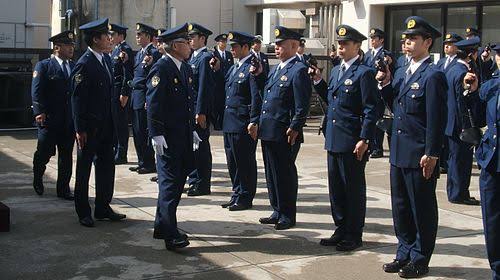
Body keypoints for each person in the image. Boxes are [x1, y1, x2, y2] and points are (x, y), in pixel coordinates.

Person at [376, 16, 447, 278]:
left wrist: (432, 153)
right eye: (406, 38)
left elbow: (436, 119)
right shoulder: (405, 70)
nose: (407, 42)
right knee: (401, 207)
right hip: (399, 150)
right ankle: (403, 252)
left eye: (413, 38)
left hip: (419, 153)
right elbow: (396, 105)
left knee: (422, 208)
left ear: (427, 42)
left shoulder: (433, 75)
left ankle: (420, 258)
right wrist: (384, 83)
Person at [312, 25, 378, 251]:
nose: (341, 47)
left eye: (345, 44)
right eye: (339, 44)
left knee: (353, 189)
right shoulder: (338, 70)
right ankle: (340, 227)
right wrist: (320, 82)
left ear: (357, 46)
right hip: (334, 138)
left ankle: (353, 233)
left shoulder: (364, 72)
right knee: (336, 189)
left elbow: (372, 109)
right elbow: (334, 101)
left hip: (352, 140)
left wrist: (365, 138)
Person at [147, 23, 198, 250]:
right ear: (176, 45)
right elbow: (154, 105)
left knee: (176, 184)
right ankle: (171, 234)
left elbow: (188, 104)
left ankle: (161, 225)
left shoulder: (184, 68)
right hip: (166, 138)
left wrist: (193, 130)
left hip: (183, 137)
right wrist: (156, 134)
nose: (190, 45)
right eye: (186, 42)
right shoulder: (162, 68)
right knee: (169, 186)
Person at [71, 18, 126, 227]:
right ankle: (83, 211)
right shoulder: (84, 64)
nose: (110, 40)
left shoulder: (105, 60)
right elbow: (77, 99)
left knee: (106, 167)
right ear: (95, 39)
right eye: (106, 36)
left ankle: (103, 207)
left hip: (106, 126)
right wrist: (79, 128)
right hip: (90, 128)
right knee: (84, 170)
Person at [256, 26, 312, 230]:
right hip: (269, 130)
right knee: (271, 173)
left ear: (294, 46)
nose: (277, 48)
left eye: (281, 45)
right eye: (276, 45)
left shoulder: (298, 70)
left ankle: (288, 214)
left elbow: (302, 104)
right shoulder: (275, 68)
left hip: (285, 132)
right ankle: (277, 209)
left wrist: (295, 126)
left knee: (285, 174)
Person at [219, 31, 262, 211]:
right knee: (232, 162)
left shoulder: (252, 68)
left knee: (244, 162)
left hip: (242, 122)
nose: (232, 50)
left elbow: (256, 97)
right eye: (231, 47)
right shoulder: (233, 68)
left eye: (235, 46)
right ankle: (236, 193)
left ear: (245, 47)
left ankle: (245, 197)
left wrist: (254, 120)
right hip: (229, 121)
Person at [468, 43, 500, 280]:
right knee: (492, 221)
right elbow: (476, 116)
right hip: (490, 161)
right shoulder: (492, 84)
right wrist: (471, 92)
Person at [31, 31, 76, 200]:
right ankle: (37, 177)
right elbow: (36, 91)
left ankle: (63, 189)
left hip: (67, 120)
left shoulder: (73, 66)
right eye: (67, 45)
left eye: (72, 45)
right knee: (44, 153)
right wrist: (39, 112)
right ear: (57, 47)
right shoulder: (44, 66)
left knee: (66, 157)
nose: (71, 48)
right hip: (49, 120)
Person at [443, 37, 481, 205]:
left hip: (451, 123)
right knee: (462, 161)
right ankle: (459, 194)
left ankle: (454, 192)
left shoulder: (452, 69)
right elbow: (461, 101)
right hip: (460, 124)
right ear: (471, 54)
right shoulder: (462, 73)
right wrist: (467, 126)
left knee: (454, 160)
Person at [186, 23, 216, 196]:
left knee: (201, 148)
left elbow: (204, 87)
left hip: (199, 111)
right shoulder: (193, 57)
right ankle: (194, 179)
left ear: (202, 39)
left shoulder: (205, 57)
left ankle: (203, 184)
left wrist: (201, 111)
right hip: (192, 110)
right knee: (193, 148)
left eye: (193, 37)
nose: (190, 40)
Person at [129, 23, 161, 175]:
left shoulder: (153, 52)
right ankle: (141, 161)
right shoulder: (139, 53)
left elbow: (152, 77)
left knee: (144, 131)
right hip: (136, 96)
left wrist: (150, 98)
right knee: (136, 131)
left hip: (144, 97)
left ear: (148, 36)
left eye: (140, 35)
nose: (137, 37)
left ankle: (148, 163)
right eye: (136, 34)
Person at [364, 28, 394, 159]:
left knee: (378, 119)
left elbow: (389, 70)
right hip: (369, 90)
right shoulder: (367, 54)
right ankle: (370, 144)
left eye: (375, 38)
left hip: (380, 90)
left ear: (381, 40)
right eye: (371, 38)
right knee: (369, 117)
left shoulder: (386, 54)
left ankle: (377, 147)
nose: (372, 41)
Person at [109, 23, 133, 165]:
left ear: (120, 36)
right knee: (114, 122)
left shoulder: (125, 50)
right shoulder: (115, 50)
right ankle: (116, 150)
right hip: (114, 89)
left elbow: (127, 73)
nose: (110, 38)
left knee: (121, 123)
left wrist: (125, 93)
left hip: (120, 91)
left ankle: (122, 153)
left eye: (113, 35)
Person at [212, 33, 235, 130]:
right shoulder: (213, 53)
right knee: (216, 104)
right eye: (222, 41)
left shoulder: (229, 55)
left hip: (226, 83)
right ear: (218, 42)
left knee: (223, 104)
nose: (224, 44)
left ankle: (221, 123)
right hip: (216, 84)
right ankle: (216, 124)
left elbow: (231, 68)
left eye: (225, 42)